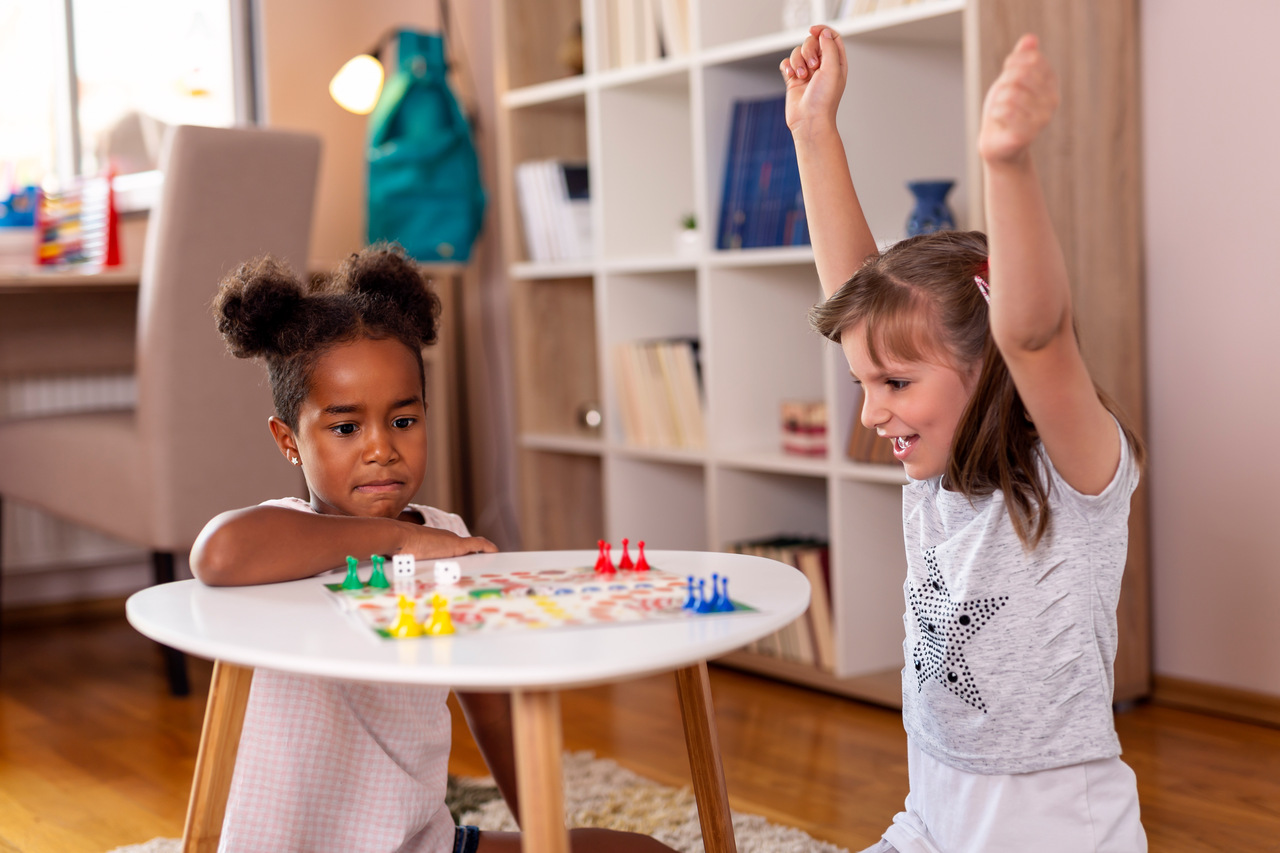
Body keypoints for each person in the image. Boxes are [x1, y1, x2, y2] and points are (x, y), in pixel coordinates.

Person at [780, 29, 1148, 853]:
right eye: (865, 385)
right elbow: (856, 299)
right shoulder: (937, 477)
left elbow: (1038, 335)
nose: (872, 414)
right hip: (932, 815)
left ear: (989, 368)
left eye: (896, 385)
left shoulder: (1073, 479)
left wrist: (1006, 162)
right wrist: (813, 131)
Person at [191, 244, 676, 853]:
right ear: (289, 441)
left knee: (646, 852)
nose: (381, 449)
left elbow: (493, 710)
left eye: (403, 421)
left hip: (424, 844)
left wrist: (545, 840)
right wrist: (398, 538)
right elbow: (219, 554)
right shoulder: (282, 536)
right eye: (345, 427)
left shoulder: (447, 536)